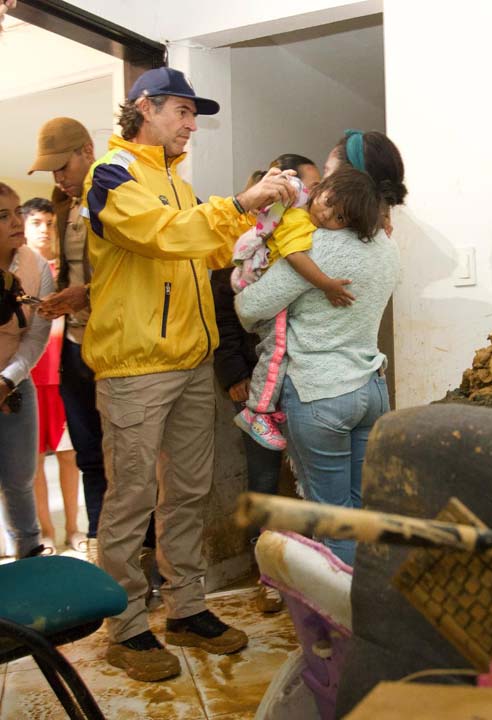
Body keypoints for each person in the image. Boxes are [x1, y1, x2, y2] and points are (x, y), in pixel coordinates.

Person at [79, 66, 302, 683]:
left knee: (187, 493)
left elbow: (202, 247)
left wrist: (261, 222)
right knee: (130, 500)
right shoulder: (112, 175)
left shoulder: (177, 182)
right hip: (135, 367)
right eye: (182, 110)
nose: (191, 124)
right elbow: (158, 235)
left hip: (187, 361)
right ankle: (124, 626)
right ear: (145, 108)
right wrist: (237, 205)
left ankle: (187, 609)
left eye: (193, 114)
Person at [237, 132, 407, 565]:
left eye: (327, 178)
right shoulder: (388, 247)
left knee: (331, 524)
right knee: (356, 515)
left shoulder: (313, 247)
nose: (314, 193)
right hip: (371, 389)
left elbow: (248, 309)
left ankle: (340, 626)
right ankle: (365, 612)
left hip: (320, 394)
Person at [210, 155, 319, 613]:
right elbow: (230, 319)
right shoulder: (242, 253)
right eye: (310, 184)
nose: (316, 194)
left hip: (306, 384)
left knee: (308, 483)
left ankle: (311, 572)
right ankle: (269, 577)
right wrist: (235, 374)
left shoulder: (311, 243)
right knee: (262, 483)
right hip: (257, 385)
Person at [230, 153, 354, 450]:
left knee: (278, 350)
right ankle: (257, 411)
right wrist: (326, 285)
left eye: (339, 217)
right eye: (314, 189)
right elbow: (296, 258)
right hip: (258, 290)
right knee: (275, 349)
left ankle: (267, 407)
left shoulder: (304, 217)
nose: (326, 214)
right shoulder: (296, 219)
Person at [31, 118, 105, 560]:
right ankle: (99, 548)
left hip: (116, 352)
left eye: (63, 165)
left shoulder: (114, 199)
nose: (59, 177)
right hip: (75, 352)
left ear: (87, 151)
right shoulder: (63, 207)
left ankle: (144, 559)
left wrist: (87, 294)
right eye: (51, 169)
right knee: (88, 457)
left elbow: (132, 277)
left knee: (131, 466)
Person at [22, 197, 82, 553]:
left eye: (48, 222)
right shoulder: (17, 273)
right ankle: (45, 530)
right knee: (32, 463)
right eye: (36, 223)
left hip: (63, 375)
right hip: (28, 377)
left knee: (69, 454)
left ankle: (74, 527)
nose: (44, 229)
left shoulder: (64, 273)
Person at [0, 183, 54, 560]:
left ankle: (29, 557)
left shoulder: (36, 265)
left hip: (16, 384)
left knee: (20, 480)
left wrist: (7, 379)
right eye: (4, 215)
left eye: (17, 212)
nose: (17, 221)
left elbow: (37, 335)